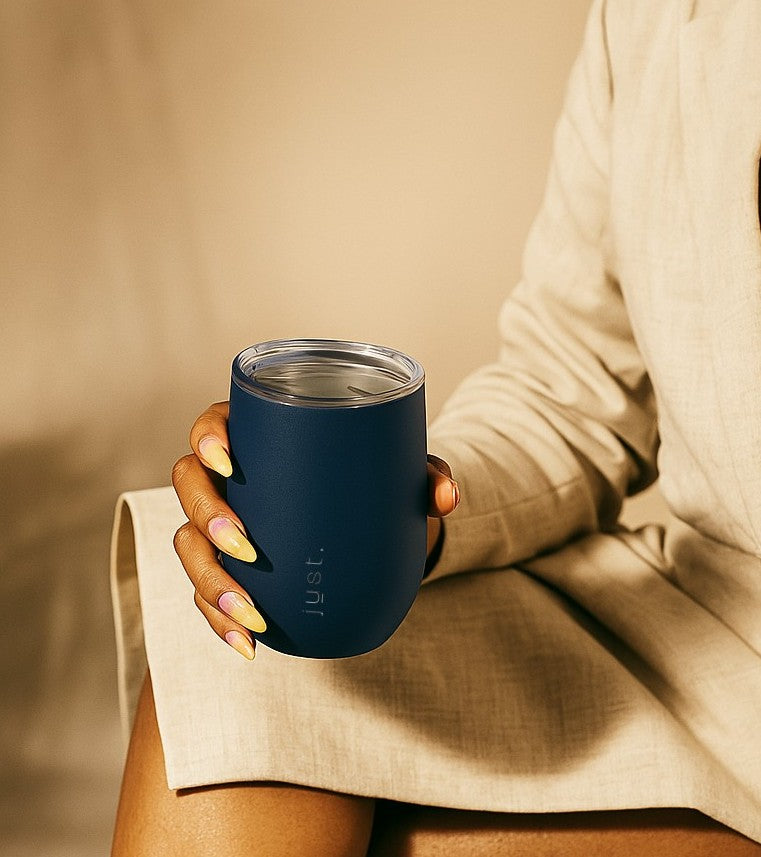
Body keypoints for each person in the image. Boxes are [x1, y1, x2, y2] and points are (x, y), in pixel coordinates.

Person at [110, 1, 761, 853]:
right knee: (250, 677)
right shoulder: (649, 16)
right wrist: (392, 517)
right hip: (710, 634)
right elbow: (572, 384)